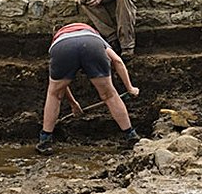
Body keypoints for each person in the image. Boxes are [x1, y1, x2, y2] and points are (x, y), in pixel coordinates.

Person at [37, 22, 140, 155]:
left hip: (63, 48)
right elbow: (117, 61)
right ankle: (131, 136)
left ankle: (45, 140)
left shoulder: (58, 39)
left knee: (54, 94)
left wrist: (73, 104)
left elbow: (60, 88)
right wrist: (130, 88)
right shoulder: (93, 34)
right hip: (92, 45)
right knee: (109, 94)